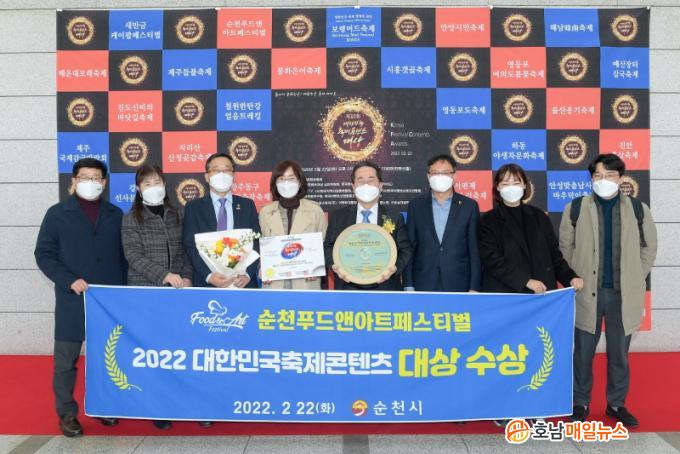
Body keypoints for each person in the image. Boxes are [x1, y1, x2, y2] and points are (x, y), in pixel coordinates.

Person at [478, 163, 584, 428]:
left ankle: (535, 405)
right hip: (506, 297)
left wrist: (570, 276)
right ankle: (503, 407)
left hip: (540, 301)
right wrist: (525, 281)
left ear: (525, 186)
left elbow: (554, 255)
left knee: (536, 353)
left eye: (516, 182)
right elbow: (492, 260)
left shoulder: (539, 217)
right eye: (505, 183)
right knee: (506, 354)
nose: (511, 187)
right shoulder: (488, 220)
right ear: (497, 188)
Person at [560, 154, 657, 428]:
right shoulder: (575, 208)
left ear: (621, 178)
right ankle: (580, 402)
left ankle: (616, 404)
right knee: (582, 353)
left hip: (622, 295)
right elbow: (565, 247)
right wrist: (573, 276)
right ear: (591, 179)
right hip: (586, 292)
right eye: (598, 176)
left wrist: (635, 276)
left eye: (610, 175)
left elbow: (649, 247)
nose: (604, 180)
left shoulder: (638, 209)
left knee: (619, 353)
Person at [35, 158, 127, 437]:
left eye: (96, 178)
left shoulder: (116, 214)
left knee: (105, 358)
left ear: (104, 182)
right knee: (66, 362)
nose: (91, 182)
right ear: (74, 181)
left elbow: (125, 257)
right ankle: (67, 414)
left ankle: (103, 406)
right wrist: (68, 280)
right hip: (72, 299)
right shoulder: (57, 214)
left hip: (108, 302)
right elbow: (44, 254)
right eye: (84, 177)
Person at [121, 164, 192, 430]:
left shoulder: (177, 214)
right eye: (147, 184)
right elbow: (133, 256)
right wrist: (165, 275)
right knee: (153, 352)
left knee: (177, 351)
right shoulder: (131, 219)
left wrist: (186, 276)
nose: (153, 188)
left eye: (157, 182)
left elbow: (185, 250)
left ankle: (179, 402)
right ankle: (156, 406)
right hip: (147, 293)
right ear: (138, 189)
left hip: (178, 293)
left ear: (164, 185)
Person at [324, 161, 412, 291]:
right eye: (360, 180)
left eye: (371, 180)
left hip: (385, 288)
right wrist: (334, 265)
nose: (366, 184)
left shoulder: (394, 217)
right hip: (348, 288)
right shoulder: (339, 216)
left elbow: (405, 250)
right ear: (353, 186)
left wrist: (394, 268)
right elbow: (328, 247)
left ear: (380, 185)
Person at [183, 152, 260, 291]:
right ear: (207, 177)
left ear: (234, 175)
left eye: (226, 170)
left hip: (242, 284)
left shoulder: (247, 205)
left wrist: (247, 274)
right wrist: (209, 276)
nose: (222, 174)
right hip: (206, 285)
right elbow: (190, 246)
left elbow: (256, 242)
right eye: (216, 170)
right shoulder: (193, 207)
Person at [404, 154, 481, 292]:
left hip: (459, 283)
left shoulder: (469, 206)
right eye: (435, 173)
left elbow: (474, 249)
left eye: (445, 173)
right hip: (423, 282)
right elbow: (410, 247)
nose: (440, 177)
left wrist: (474, 286)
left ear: (454, 176)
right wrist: (408, 284)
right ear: (428, 176)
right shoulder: (415, 206)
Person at [259, 160, 327, 289]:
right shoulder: (265, 212)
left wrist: (317, 266)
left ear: (299, 182)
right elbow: (260, 247)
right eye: (281, 179)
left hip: (306, 283)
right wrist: (262, 267)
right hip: (274, 283)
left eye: (291, 178)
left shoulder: (315, 211)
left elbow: (324, 245)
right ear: (275, 184)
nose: (286, 183)